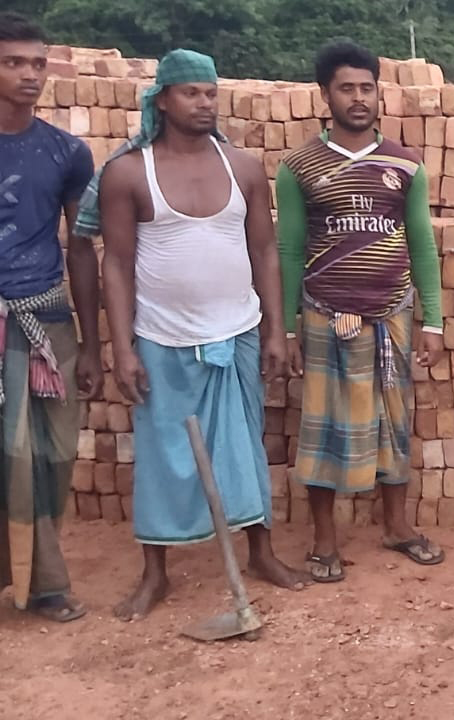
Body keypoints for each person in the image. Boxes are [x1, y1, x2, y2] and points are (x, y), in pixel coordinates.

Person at [95, 49, 308, 620]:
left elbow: (265, 250)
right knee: (163, 453)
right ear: (162, 100)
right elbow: (116, 263)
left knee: (244, 446)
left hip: (236, 332)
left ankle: (261, 552)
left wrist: (275, 329)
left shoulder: (244, 168)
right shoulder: (129, 172)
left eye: (211, 92)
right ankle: (155, 572)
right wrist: (122, 347)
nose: (205, 102)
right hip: (161, 338)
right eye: (191, 92)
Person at [277, 40, 445, 583]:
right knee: (323, 426)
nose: (358, 98)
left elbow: (421, 244)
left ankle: (396, 527)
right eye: (346, 88)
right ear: (325, 95)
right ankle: (324, 541)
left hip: (391, 313)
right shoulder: (298, 166)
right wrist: (287, 328)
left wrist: (433, 320)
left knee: (394, 422)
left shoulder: (405, 164)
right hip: (324, 315)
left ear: (379, 94)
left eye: (367, 88)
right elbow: (289, 250)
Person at [0, 11, 99, 623]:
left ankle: (43, 582)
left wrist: (91, 344)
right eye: (13, 62)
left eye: (38, 63)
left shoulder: (67, 152)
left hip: (46, 321)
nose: (29, 74)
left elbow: (81, 248)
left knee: (52, 456)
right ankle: (41, 584)